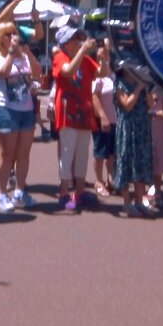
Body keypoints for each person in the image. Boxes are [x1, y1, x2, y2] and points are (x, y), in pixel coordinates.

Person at [0, 21, 41, 212]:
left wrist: (27, 52)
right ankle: (2, 194)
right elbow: (2, 72)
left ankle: (19, 191)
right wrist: (11, 53)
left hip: (26, 109)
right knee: (7, 153)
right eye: (7, 34)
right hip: (6, 109)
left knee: (23, 153)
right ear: (0, 38)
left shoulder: (23, 56)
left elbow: (37, 73)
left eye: (14, 34)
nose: (13, 38)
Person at [52, 25, 98, 211]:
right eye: (73, 39)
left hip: (85, 111)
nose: (77, 42)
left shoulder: (85, 59)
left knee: (82, 153)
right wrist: (83, 52)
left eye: (78, 39)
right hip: (67, 111)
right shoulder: (59, 57)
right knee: (67, 152)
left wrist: (104, 55)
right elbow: (69, 71)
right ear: (64, 42)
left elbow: (101, 73)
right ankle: (64, 191)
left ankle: (79, 191)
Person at [112, 67, 152, 217]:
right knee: (126, 163)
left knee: (140, 163)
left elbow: (151, 104)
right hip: (127, 127)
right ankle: (127, 203)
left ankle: (139, 202)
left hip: (142, 126)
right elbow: (127, 105)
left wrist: (146, 89)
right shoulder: (120, 83)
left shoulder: (142, 83)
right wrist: (137, 89)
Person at [90, 43, 118, 199]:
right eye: (101, 56)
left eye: (106, 55)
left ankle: (111, 178)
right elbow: (94, 97)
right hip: (103, 120)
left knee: (112, 153)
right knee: (100, 152)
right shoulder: (97, 76)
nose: (104, 59)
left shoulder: (113, 75)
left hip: (116, 120)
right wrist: (102, 116)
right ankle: (99, 181)